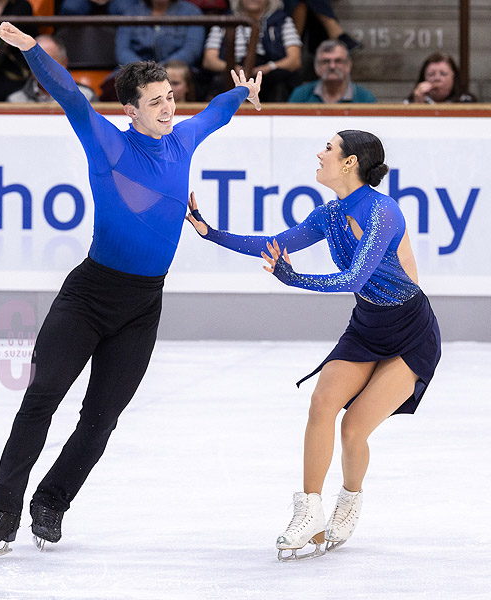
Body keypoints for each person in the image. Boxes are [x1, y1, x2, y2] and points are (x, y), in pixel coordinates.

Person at [0, 20, 262, 561]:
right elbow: (70, 96)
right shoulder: (107, 143)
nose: (168, 110)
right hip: (89, 296)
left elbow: (215, 112)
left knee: (101, 419)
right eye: (155, 102)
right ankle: (0, 512)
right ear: (131, 110)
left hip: (142, 305)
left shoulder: (183, 139)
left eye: (170, 98)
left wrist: (243, 92)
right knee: (40, 401)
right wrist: (30, 47)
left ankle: (52, 500)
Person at [186, 129, 441, 559]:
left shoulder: (382, 211)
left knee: (354, 426)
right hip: (367, 325)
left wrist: (294, 278)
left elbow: (354, 279)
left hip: (410, 331)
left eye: (328, 147)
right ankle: (309, 512)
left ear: (349, 163)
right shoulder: (329, 214)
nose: (319, 153)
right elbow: (276, 244)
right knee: (322, 403)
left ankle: (350, 500)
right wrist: (210, 231)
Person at [202, 0, 302, 102]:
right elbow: (209, 60)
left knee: (281, 82)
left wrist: (268, 67)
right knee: (219, 82)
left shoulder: (281, 20)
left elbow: (294, 60)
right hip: (233, 72)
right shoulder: (226, 21)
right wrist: (232, 68)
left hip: (270, 73)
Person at [7, 34, 98, 103]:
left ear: (64, 63)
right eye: (36, 61)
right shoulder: (15, 100)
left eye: (49, 60)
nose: (42, 67)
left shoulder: (86, 96)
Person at [114, 0, 205, 67]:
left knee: (177, 82)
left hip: (176, 69)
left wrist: (161, 69)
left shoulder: (192, 12)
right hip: (136, 71)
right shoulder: (131, 13)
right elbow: (123, 50)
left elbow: (192, 49)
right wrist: (142, 68)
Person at [288, 39, 375, 103]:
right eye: (326, 61)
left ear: (348, 65)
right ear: (316, 66)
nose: (332, 66)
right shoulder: (300, 95)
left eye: (338, 61)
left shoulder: (364, 98)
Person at [404, 52, 476, 104]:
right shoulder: (413, 100)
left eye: (443, 74)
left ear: (453, 76)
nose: (437, 78)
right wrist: (418, 104)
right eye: (431, 74)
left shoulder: (467, 101)